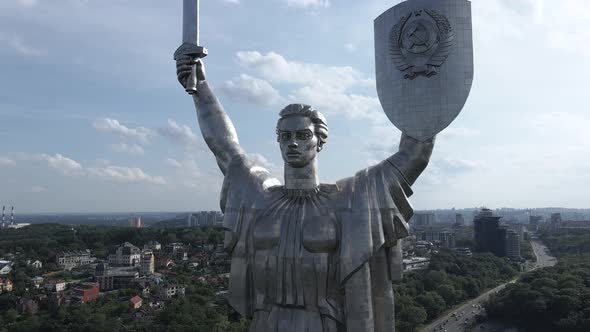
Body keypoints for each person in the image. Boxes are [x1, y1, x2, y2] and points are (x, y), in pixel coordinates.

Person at [176, 57, 435, 332]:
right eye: (286, 137)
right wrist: (200, 87)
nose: (294, 143)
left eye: (303, 135)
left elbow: (415, 153)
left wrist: (421, 78)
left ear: (319, 141)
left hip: (323, 322)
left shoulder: (349, 199)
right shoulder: (260, 197)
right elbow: (224, 146)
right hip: (266, 321)